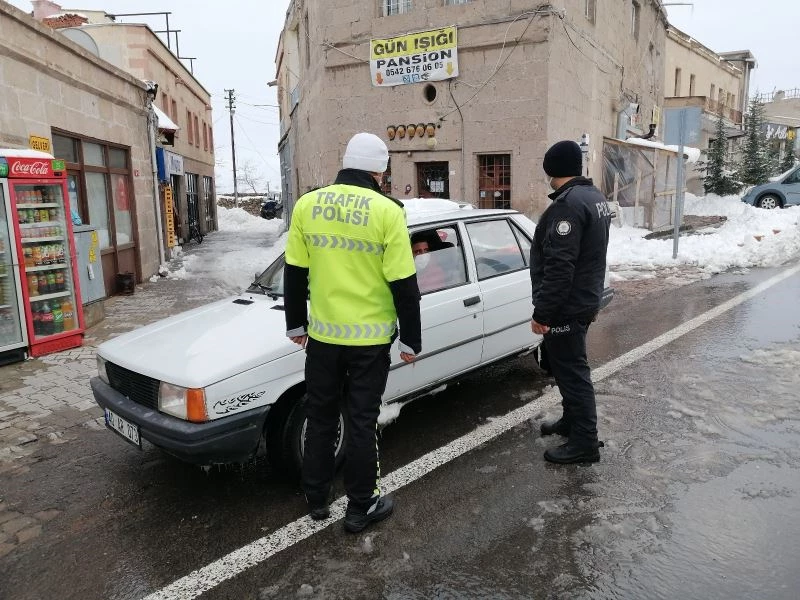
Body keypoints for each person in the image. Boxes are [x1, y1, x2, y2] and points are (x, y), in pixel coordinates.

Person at [284, 132, 422, 533]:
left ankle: (316, 498)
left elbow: (295, 272)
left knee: (321, 416)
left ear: (345, 163)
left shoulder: (307, 205)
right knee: (362, 422)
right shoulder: (387, 212)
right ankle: (362, 507)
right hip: (369, 342)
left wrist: (296, 323)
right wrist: (412, 338)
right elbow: (403, 283)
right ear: (380, 171)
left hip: (323, 339)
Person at [530, 140, 612, 464]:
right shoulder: (593, 197)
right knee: (566, 370)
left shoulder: (567, 205)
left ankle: (585, 443)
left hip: (568, 305)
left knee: (573, 373)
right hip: (583, 299)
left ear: (553, 170)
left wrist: (543, 313)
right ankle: (571, 422)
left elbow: (560, 267)